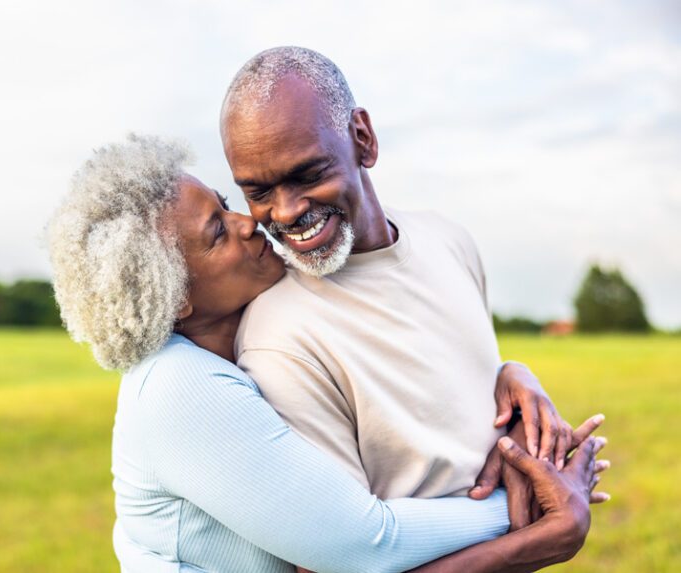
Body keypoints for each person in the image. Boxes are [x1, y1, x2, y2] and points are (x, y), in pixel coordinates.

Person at [46, 134, 609, 572]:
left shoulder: (245, 340)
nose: (251, 223)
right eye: (216, 232)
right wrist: (538, 495)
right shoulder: (176, 387)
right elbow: (364, 544)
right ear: (173, 296)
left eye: (226, 204)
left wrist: (509, 370)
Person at [220, 47, 575, 526]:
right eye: (258, 192)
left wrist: (513, 382)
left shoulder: (448, 240)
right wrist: (546, 534)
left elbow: (464, 402)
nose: (284, 213)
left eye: (308, 174)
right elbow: (343, 554)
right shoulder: (278, 338)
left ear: (362, 138)